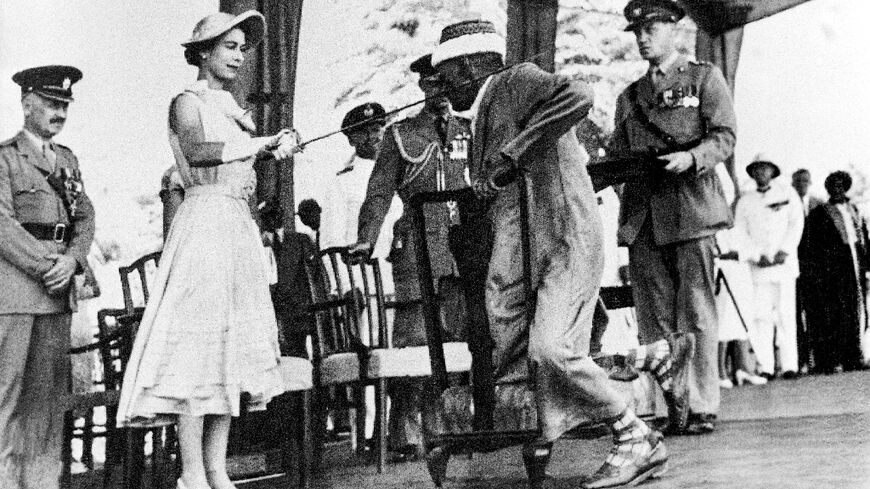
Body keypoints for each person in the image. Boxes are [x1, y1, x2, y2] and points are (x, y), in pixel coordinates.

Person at [434, 20, 667, 488]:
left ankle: (636, 437)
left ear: (473, 66)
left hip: (564, 237)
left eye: (448, 73)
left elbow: (579, 94)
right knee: (519, 348)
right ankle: (629, 362)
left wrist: (512, 153)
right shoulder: (482, 114)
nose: (443, 85)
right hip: (525, 245)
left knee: (552, 349)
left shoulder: (515, 80)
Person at [117, 11, 300, 489]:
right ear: (203, 52)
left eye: (243, 48)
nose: (239, 56)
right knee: (197, 347)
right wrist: (262, 144)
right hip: (203, 227)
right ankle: (192, 472)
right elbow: (200, 152)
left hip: (236, 229)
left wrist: (274, 149)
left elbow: (246, 179)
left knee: (230, 350)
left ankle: (217, 469)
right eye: (229, 47)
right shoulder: (186, 101)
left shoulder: (236, 110)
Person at [609, 0, 737, 435]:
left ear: (674, 30)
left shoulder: (703, 77)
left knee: (697, 313)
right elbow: (618, 156)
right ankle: (672, 406)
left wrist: (693, 157)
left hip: (691, 211)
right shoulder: (630, 96)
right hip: (645, 219)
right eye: (638, 32)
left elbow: (725, 137)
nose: (643, 38)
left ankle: (701, 404)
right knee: (655, 320)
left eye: (652, 29)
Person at [350, 54, 470, 461]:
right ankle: (404, 434)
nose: (440, 91)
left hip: (467, 245)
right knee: (415, 342)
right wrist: (366, 239)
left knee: (462, 337)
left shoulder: (471, 129)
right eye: (432, 84)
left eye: (446, 83)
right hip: (418, 248)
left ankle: (456, 430)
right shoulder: (401, 133)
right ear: (423, 88)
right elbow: (379, 190)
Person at [0, 64, 96, 489]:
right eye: (51, 104)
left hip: (57, 295)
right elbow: (2, 225)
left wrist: (73, 260)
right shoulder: (4, 158)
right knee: (8, 400)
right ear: (26, 103)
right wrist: (48, 267)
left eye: (64, 105)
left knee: (46, 406)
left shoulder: (67, 160)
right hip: (17, 295)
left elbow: (86, 216)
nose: (59, 112)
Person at [732, 155, 804, 380]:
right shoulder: (745, 201)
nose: (761, 173)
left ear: (773, 171)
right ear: (752, 174)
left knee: (785, 315)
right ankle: (766, 366)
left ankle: (790, 364)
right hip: (760, 268)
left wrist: (785, 249)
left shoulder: (787, 194)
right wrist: (756, 255)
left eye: (765, 169)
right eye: (756, 169)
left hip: (783, 266)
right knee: (761, 316)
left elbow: (796, 223)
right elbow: (740, 232)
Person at [799, 171, 869, 374]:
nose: (838, 189)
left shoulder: (853, 209)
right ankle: (829, 359)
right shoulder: (820, 213)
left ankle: (853, 357)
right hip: (831, 271)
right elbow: (812, 246)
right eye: (833, 186)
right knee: (832, 313)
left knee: (855, 312)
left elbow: (862, 238)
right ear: (828, 189)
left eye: (841, 185)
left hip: (854, 267)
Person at [319, 102, 400, 255]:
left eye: (376, 130)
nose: (372, 138)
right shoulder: (341, 183)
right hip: (363, 272)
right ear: (351, 140)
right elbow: (331, 245)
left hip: (401, 269)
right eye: (363, 133)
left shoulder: (399, 172)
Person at [792, 168, 822, 373]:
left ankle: (818, 360)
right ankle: (799, 360)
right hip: (793, 265)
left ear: (810, 182)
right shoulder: (788, 203)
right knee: (794, 315)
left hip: (815, 268)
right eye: (798, 181)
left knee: (816, 313)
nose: (802, 184)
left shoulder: (819, 205)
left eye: (805, 180)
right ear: (793, 183)